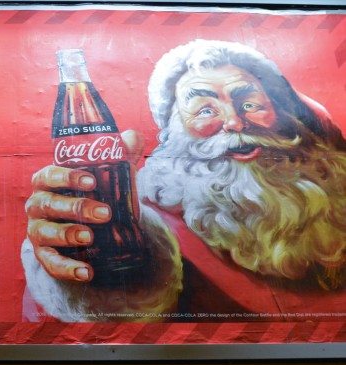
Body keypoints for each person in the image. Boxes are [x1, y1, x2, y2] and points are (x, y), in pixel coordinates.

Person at [22, 39, 346, 322]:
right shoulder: (152, 225)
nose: (234, 121)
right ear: (176, 133)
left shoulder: (331, 189)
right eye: (205, 110)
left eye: (250, 104)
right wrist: (94, 265)